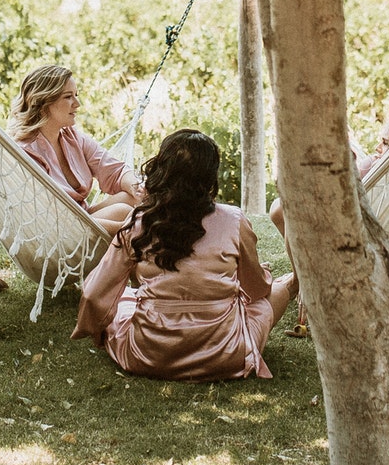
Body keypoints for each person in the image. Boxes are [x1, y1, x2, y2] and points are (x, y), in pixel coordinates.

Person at [73, 128, 296, 380]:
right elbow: (257, 290)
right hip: (225, 355)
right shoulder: (234, 220)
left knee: (124, 296)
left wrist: (91, 329)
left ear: (162, 170)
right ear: (210, 178)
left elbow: (94, 294)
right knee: (278, 290)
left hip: (148, 354)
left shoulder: (138, 222)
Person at [268, 111, 389, 336]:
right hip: (339, 221)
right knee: (280, 208)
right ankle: (300, 279)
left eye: (385, 143)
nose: (378, 147)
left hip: (350, 238)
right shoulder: (376, 165)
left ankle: (305, 282)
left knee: (290, 209)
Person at [13, 64, 143, 232]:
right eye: (68, 97)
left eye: (76, 95)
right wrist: (128, 229)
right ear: (44, 102)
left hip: (83, 220)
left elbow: (115, 171)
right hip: (58, 233)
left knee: (133, 199)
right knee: (125, 212)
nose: (77, 104)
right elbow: (49, 218)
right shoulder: (26, 152)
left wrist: (137, 188)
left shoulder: (72, 138)